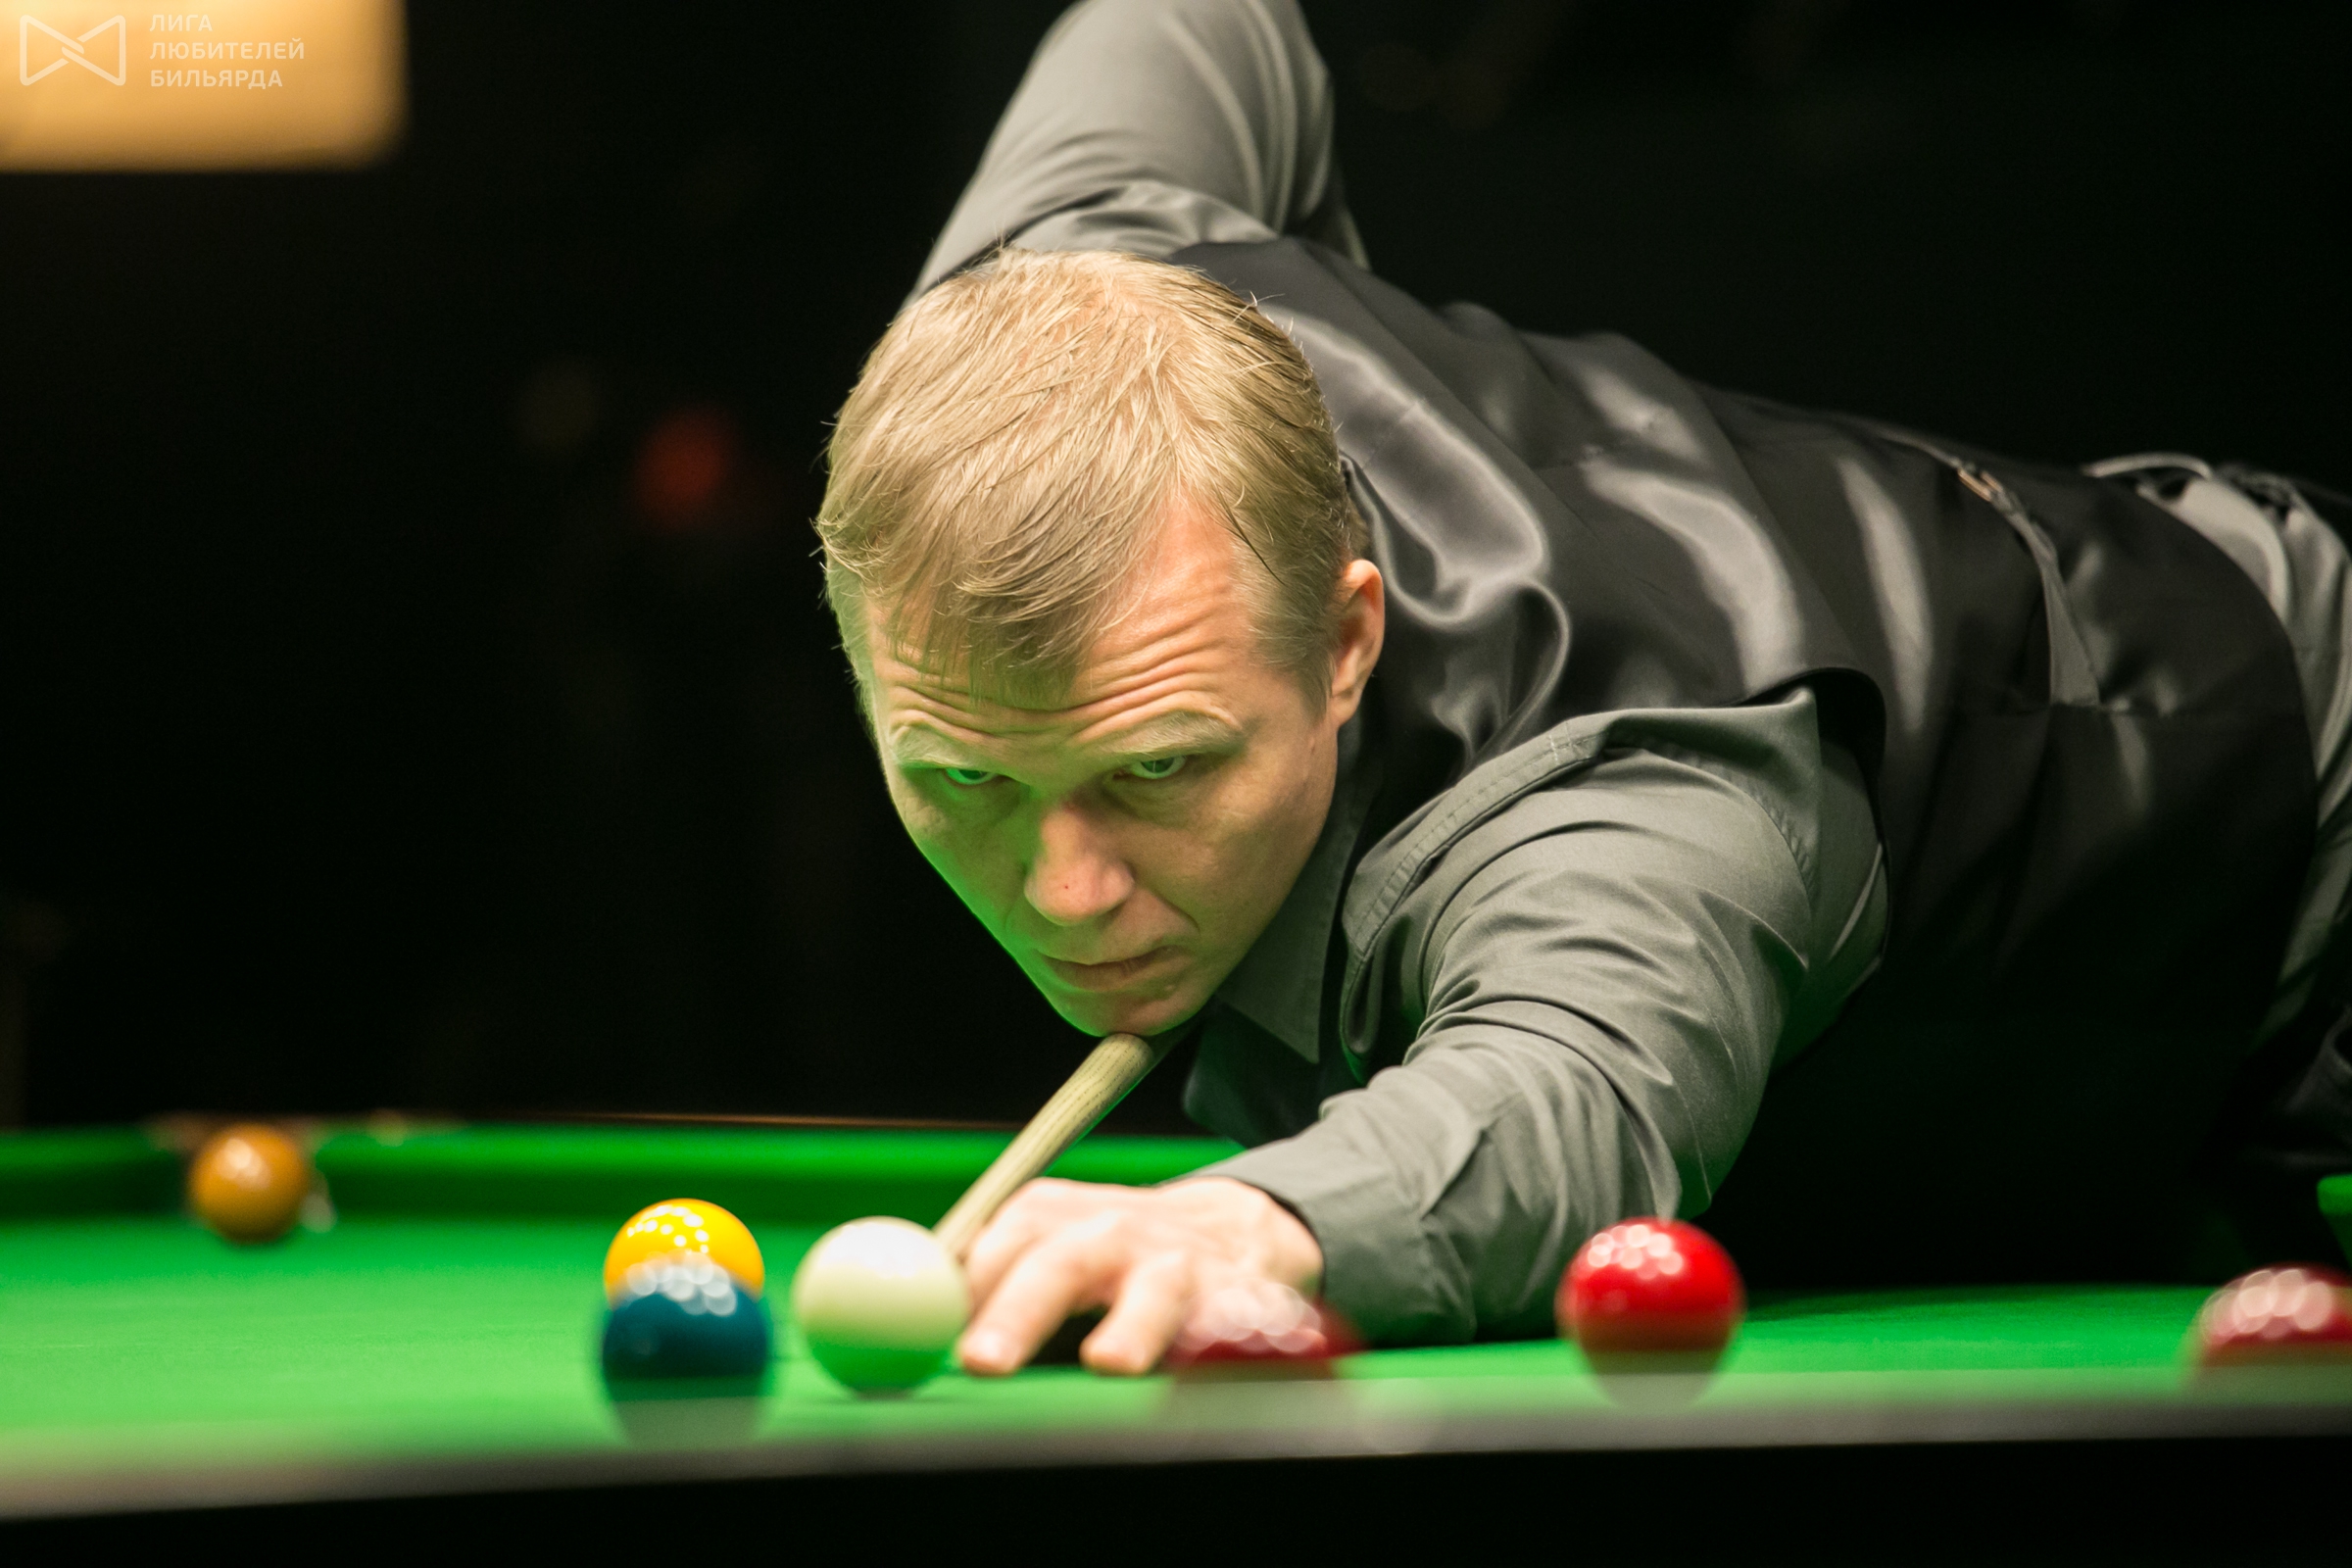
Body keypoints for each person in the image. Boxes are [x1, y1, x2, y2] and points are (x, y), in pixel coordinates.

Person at [810, 0, 2352, 1375]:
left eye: (1158, 768)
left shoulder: (1632, 782)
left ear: (1345, 644)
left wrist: (1254, 1223)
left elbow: (1568, 1101)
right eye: (964, 781)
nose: (1066, 894)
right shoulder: (1061, 276)